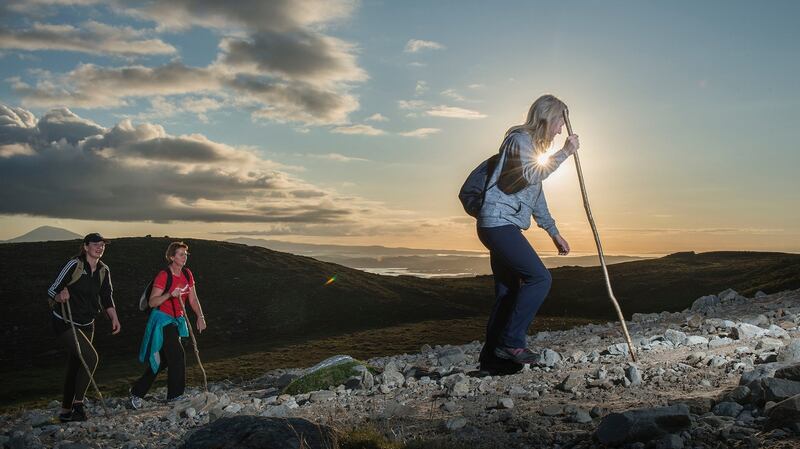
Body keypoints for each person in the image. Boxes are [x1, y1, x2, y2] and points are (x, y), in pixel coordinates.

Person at [476, 94, 579, 370]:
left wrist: (553, 232)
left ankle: (491, 359)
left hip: (501, 223)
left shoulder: (533, 147)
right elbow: (532, 175)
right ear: (548, 118)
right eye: (560, 123)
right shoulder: (519, 140)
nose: (560, 130)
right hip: (497, 223)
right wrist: (565, 153)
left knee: (508, 291)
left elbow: (536, 194)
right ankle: (511, 342)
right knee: (540, 278)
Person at [48, 232, 121, 422]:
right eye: (96, 244)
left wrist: (114, 317)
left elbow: (106, 297)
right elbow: (52, 288)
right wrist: (59, 295)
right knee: (90, 357)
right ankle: (78, 405)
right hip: (65, 321)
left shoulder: (104, 270)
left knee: (76, 365)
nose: (100, 247)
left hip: (88, 323)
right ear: (86, 246)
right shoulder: (74, 264)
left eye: (103, 245)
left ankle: (65, 412)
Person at [130, 241, 206, 408]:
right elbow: (152, 302)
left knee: (164, 360)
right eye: (180, 254)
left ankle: (136, 392)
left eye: (185, 254)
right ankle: (175, 397)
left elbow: (193, 299)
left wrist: (200, 316)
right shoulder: (164, 275)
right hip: (162, 320)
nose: (184, 257)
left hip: (177, 320)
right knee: (177, 355)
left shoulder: (187, 274)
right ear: (172, 257)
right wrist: (169, 294)